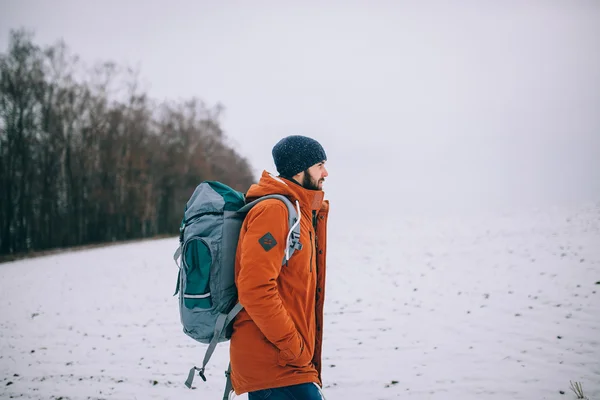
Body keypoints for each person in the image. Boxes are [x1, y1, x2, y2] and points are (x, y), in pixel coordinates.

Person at [230, 135, 330, 399]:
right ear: (301, 168)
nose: (326, 172)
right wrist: (293, 348)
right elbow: (254, 289)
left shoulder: (299, 211)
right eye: (320, 164)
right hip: (276, 365)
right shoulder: (274, 211)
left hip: (286, 365)